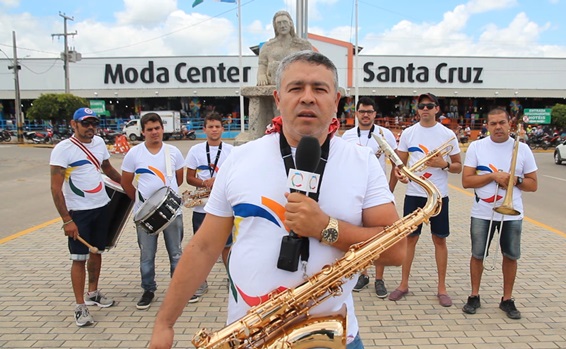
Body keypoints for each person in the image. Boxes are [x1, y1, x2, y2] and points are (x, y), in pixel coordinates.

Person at [148, 50, 405, 349]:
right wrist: (164, 323)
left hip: (334, 339)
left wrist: (326, 227)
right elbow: (204, 247)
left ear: (336, 101)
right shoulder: (240, 159)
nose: (307, 97)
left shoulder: (362, 162)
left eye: (319, 89)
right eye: (296, 88)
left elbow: (396, 251)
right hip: (251, 337)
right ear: (278, 98)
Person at [461, 107, 538, 320]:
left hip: (512, 213)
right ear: (487, 125)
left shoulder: (522, 149)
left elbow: (533, 185)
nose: (498, 127)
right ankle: (474, 295)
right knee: (477, 255)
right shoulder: (477, 147)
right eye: (493, 123)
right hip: (482, 212)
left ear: (509, 124)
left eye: (502, 123)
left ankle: (507, 299)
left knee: (511, 256)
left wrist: (516, 180)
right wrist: (494, 176)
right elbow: (466, 181)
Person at [50, 107, 122, 327]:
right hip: (78, 213)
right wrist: (67, 220)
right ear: (74, 124)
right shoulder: (63, 149)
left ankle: (93, 293)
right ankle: (80, 306)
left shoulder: (99, 143)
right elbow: (55, 189)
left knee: (96, 251)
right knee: (79, 259)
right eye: (85, 123)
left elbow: (108, 168)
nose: (90, 127)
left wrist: (129, 188)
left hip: (101, 207)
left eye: (94, 123)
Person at [390, 93, 462, 306]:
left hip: (438, 195)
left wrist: (444, 164)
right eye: (421, 106)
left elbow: (458, 166)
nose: (425, 109)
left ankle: (442, 288)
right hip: (414, 193)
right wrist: (399, 176)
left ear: (437, 109)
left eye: (430, 106)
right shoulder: (409, 133)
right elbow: (399, 164)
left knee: (439, 240)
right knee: (410, 239)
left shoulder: (447, 134)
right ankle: (403, 284)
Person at [120, 112, 185, 310]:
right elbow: (125, 181)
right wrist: (143, 204)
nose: (154, 132)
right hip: (145, 216)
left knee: (176, 254)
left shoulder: (173, 152)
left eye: (157, 128)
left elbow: (179, 179)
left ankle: (177, 291)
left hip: (172, 213)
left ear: (162, 129)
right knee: (147, 256)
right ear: (142, 132)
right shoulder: (134, 153)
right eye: (150, 129)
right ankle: (148, 289)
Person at [341, 96, 398, 299]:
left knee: (380, 237)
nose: (366, 115)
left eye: (370, 112)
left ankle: (379, 278)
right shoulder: (346, 136)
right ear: (356, 113)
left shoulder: (386, 134)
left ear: (375, 114)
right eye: (362, 111)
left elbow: (396, 164)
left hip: (378, 195)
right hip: (355, 194)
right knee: (360, 237)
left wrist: (389, 190)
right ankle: (363, 274)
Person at [184, 112, 233, 301]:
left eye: (217, 126)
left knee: (227, 246)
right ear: (204, 129)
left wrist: (219, 182)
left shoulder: (231, 151)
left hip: (224, 207)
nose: (214, 130)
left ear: (222, 128)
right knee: (201, 247)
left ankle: (231, 278)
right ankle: (201, 282)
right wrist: (205, 183)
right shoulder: (196, 150)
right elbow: (189, 178)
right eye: (210, 126)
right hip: (201, 207)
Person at [257, 10, 313, 86]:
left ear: (290, 23)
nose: (282, 25)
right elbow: (262, 64)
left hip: (297, 81)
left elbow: (311, 64)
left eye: (285, 22)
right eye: (279, 23)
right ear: (275, 26)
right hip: (274, 82)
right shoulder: (267, 46)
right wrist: (261, 75)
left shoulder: (303, 44)